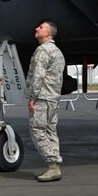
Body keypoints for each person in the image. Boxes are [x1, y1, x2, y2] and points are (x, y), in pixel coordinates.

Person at [25, 21, 65, 182]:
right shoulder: (57, 51)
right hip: (53, 97)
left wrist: (32, 97)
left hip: (42, 97)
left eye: (40, 27)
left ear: (48, 33)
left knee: (37, 130)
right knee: (50, 131)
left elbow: (38, 76)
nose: (36, 28)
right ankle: (55, 165)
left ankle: (52, 165)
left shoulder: (43, 51)